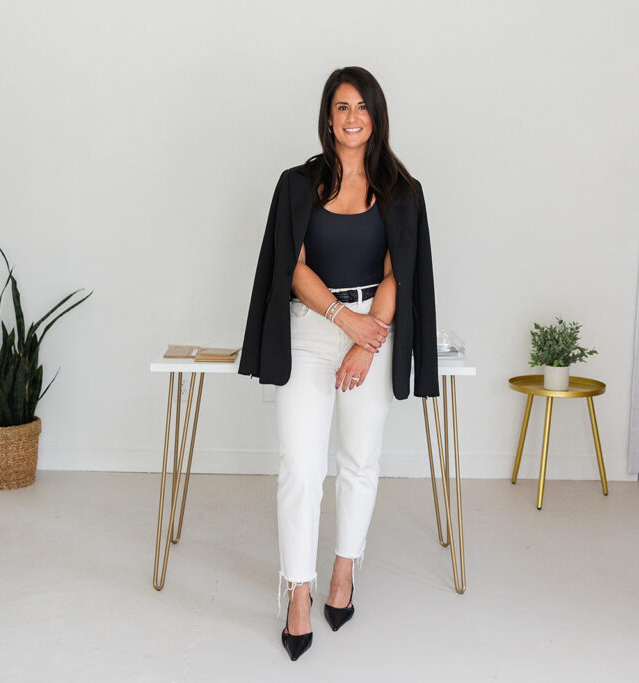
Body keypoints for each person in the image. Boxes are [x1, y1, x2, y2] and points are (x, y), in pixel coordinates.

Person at [239, 66, 438, 661]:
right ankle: (298, 591)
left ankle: (343, 573)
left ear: (375, 117)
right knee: (300, 466)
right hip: (314, 329)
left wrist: (365, 339)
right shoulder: (297, 184)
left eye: (362, 107)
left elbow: (398, 273)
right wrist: (343, 323)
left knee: (359, 461)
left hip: (372, 334)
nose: (351, 117)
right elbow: (293, 268)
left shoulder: (403, 190)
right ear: (328, 117)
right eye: (341, 106)